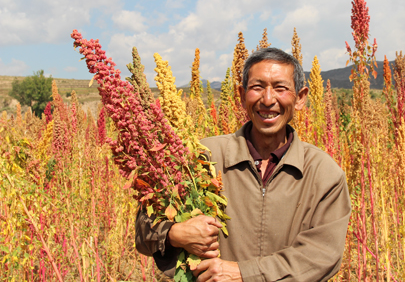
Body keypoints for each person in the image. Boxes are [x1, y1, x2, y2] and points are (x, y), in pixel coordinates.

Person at [135, 48, 351, 282]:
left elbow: (322, 255)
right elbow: (143, 229)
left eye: (280, 88)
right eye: (257, 87)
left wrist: (243, 273)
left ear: (300, 98)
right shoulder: (202, 157)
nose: (268, 100)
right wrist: (174, 234)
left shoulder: (324, 173)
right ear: (241, 95)